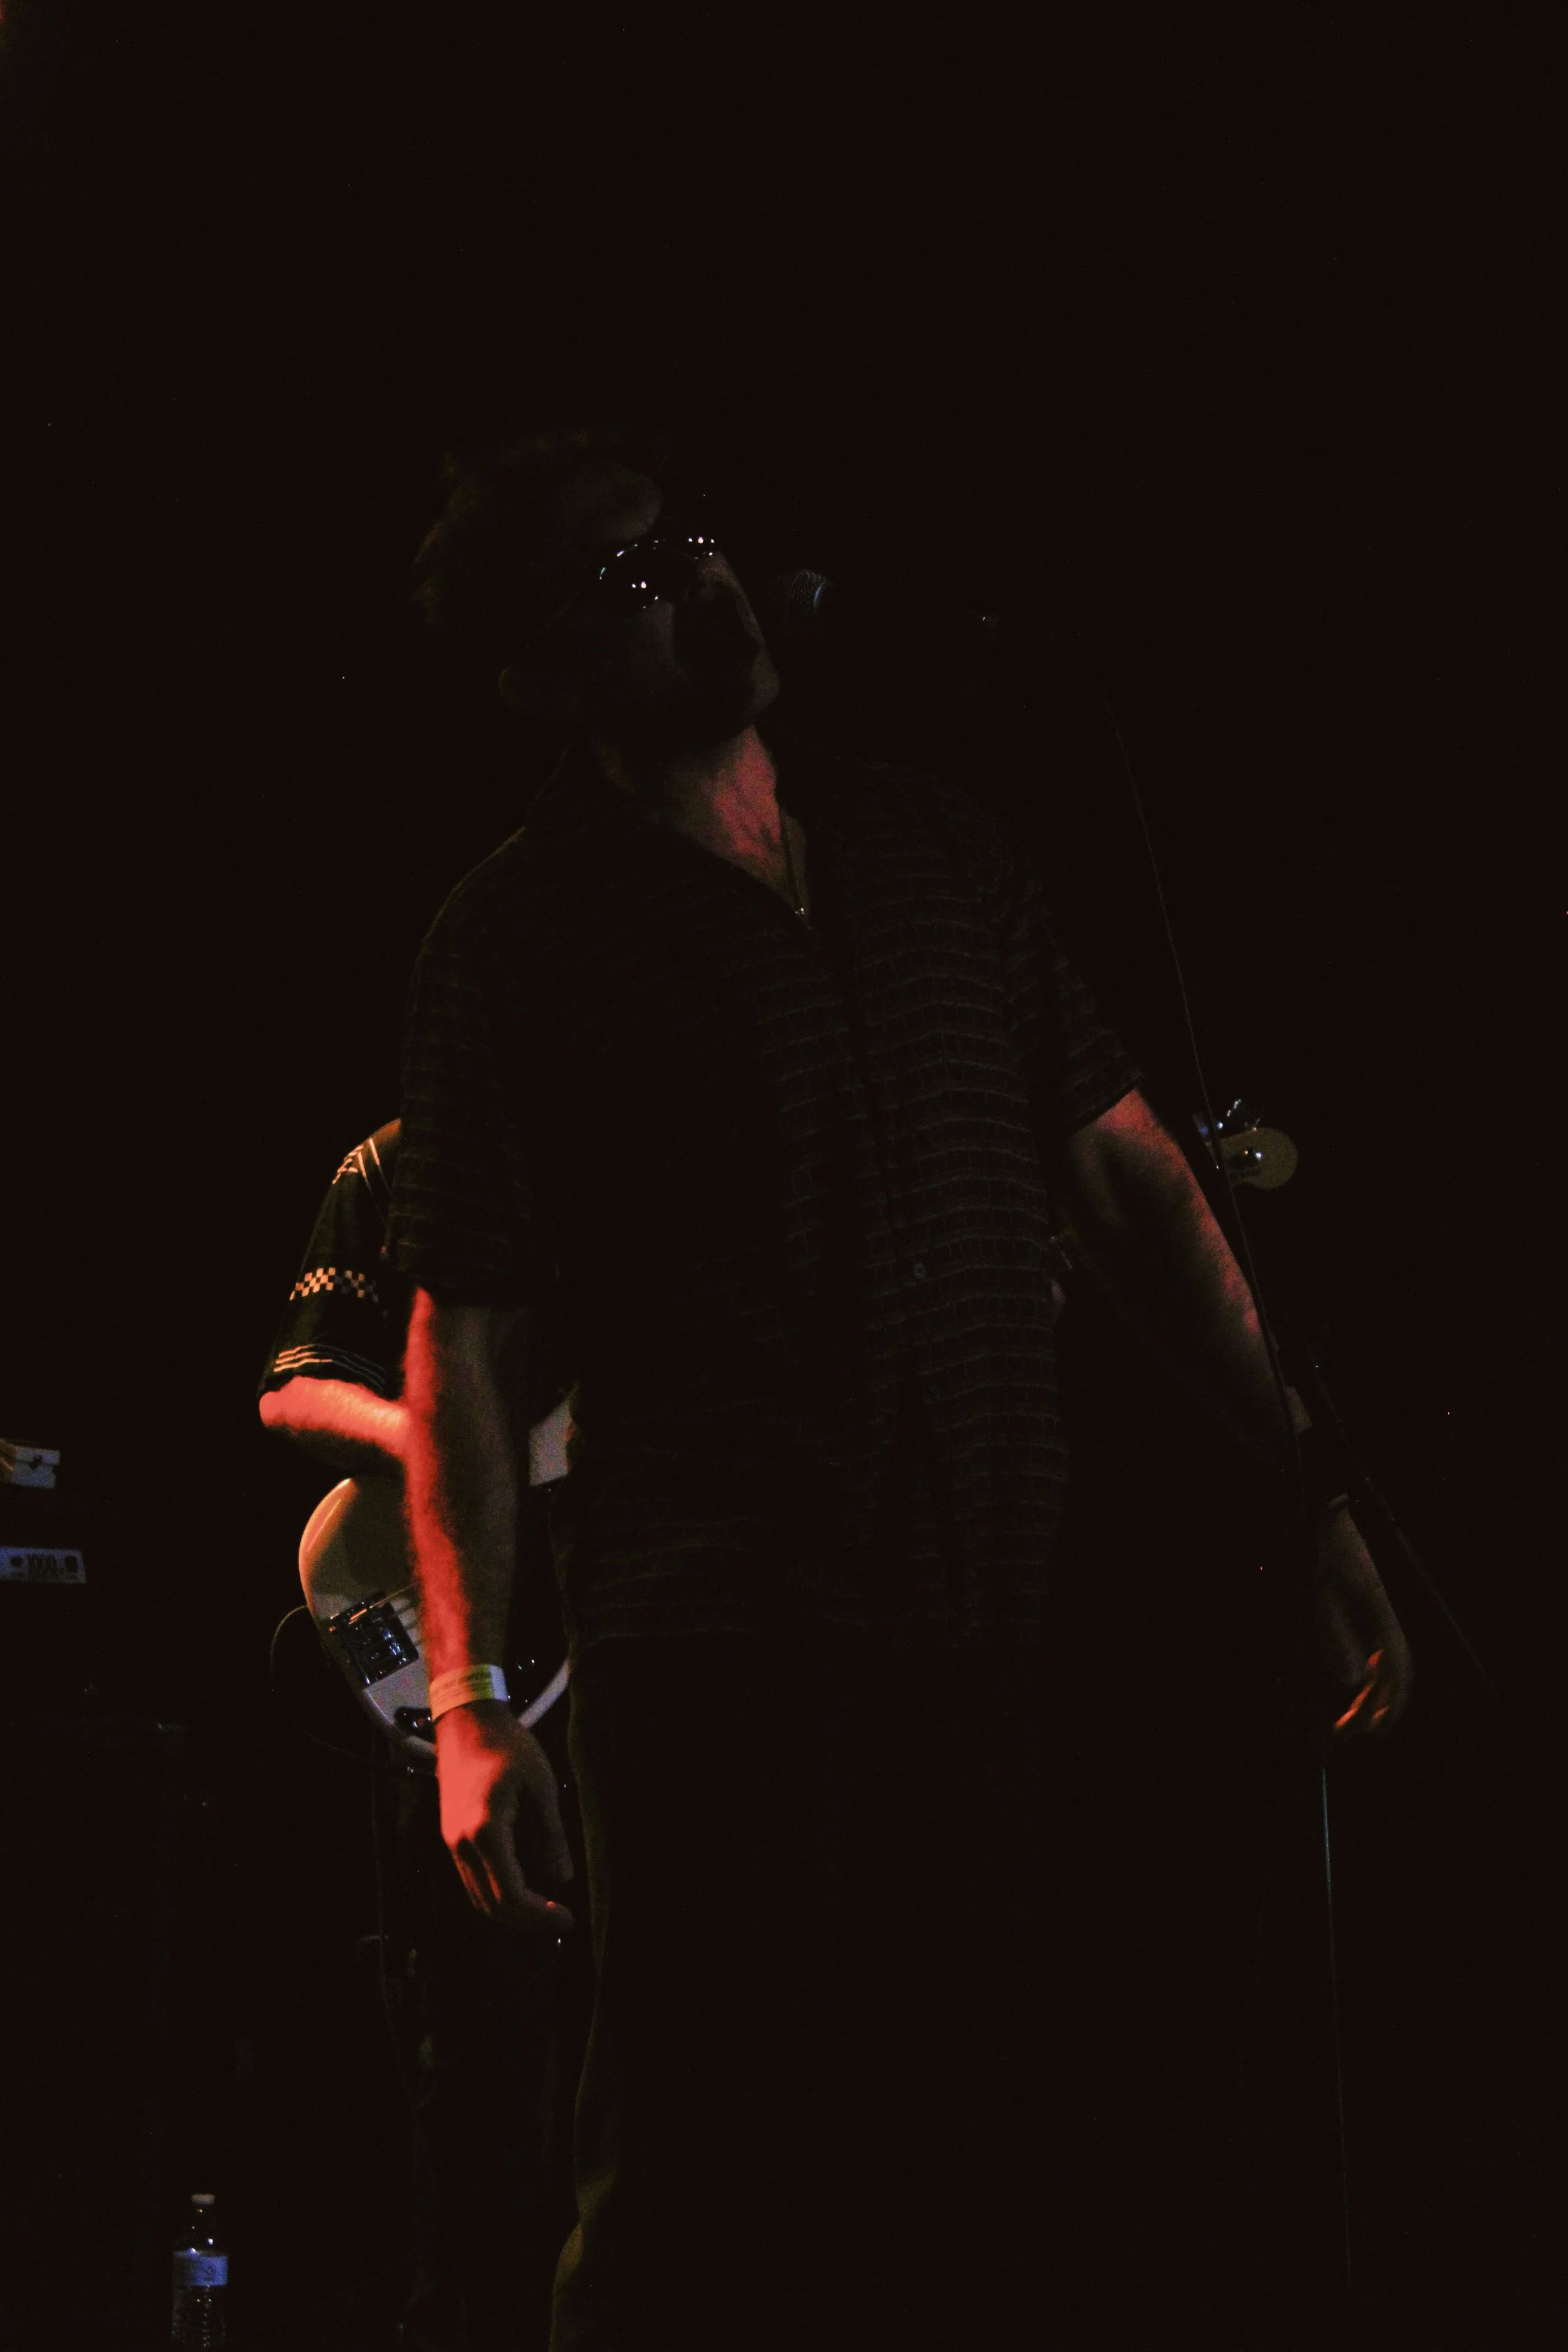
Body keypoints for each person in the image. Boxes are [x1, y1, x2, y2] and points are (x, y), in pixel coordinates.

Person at [383, 423, 1413, 2351]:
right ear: (537, 676)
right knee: (696, 2175)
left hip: (978, 1617)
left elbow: (1126, 1175)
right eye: (623, 577)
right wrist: (458, 1699)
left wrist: (1311, 1490)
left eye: (689, 539)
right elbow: (467, 1329)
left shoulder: (933, 843)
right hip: (718, 1651)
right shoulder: (518, 940)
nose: (696, 582)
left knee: (950, 2164)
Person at [258, 1121, 579, 2352]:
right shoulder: (402, 1160)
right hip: (460, 1657)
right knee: (481, 2069)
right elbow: (297, 1384)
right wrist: (447, 1453)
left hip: (659, 1640)